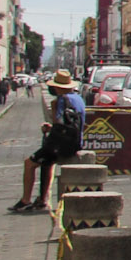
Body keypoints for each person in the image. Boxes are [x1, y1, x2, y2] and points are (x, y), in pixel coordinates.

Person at [11, 70, 85, 213]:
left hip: (62, 144)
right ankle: (42, 199)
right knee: (46, 163)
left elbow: (59, 123)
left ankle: (25, 199)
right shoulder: (78, 98)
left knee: (30, 163)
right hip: (76, 141)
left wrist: (50, 126)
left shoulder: (61, 100)